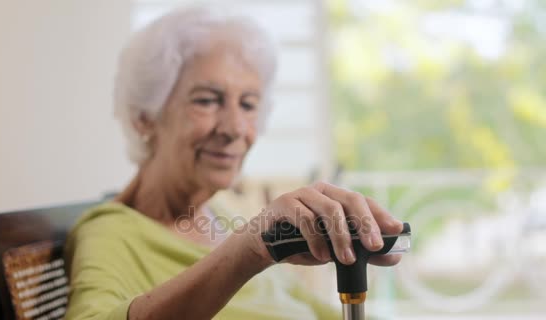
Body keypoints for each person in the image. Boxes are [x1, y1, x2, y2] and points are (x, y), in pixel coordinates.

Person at [64, 6, 404, 320]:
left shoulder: (219, 217)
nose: (235, 128)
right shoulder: (110, 231)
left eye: (248, 104)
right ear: (145, 118)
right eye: (207, 100)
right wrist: (251, 249)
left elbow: (308, 308)